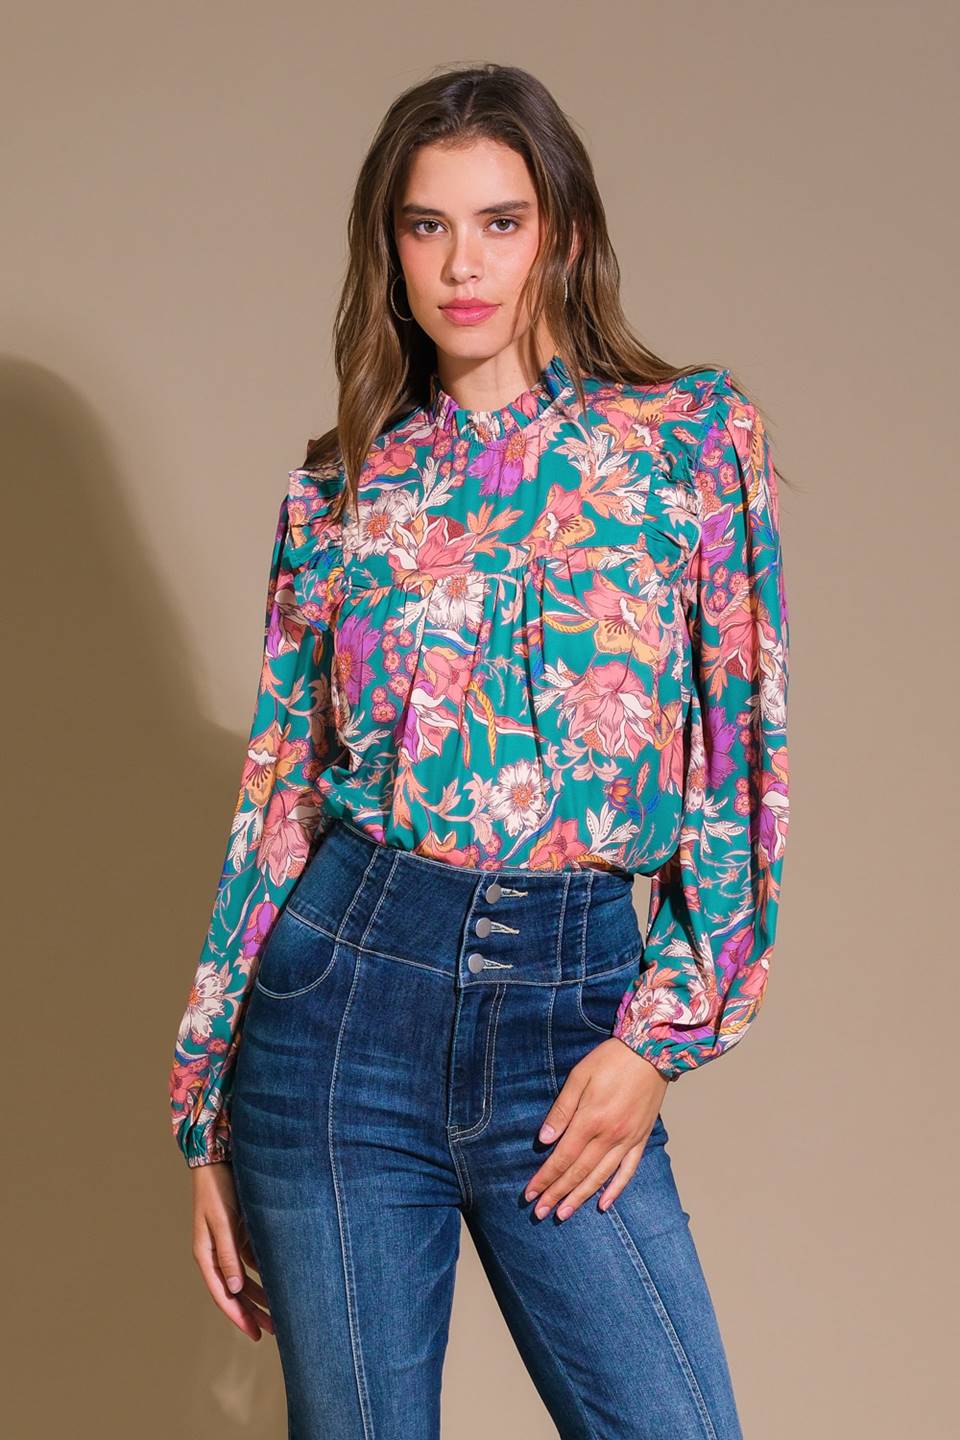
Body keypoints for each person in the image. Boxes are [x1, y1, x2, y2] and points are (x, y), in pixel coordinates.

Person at [168, 62, 790, 1439]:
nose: (463, 265)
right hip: (338, 1017)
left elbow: (742, 769)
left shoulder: (690, 443)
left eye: (501, 222)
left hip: (569, 1014)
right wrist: (205, 1104)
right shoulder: (340, 487)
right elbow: (279, 795)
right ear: (387, 248)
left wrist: (661, 1036)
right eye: (427, 225)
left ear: (561, 233)